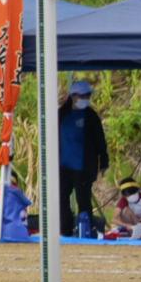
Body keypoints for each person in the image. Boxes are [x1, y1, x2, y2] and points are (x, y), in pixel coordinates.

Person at [57, 80, 108, 238]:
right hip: (62, 165)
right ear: (73, 96)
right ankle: (64, 229)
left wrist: (104, 161)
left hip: (83, 166)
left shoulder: (91, 116)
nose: (85, 98)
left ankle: (85, 230)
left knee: (83, 199)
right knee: (61, 198)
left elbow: (100, 140)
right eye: (82, 96)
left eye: (88, 95)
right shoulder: (61, 114)